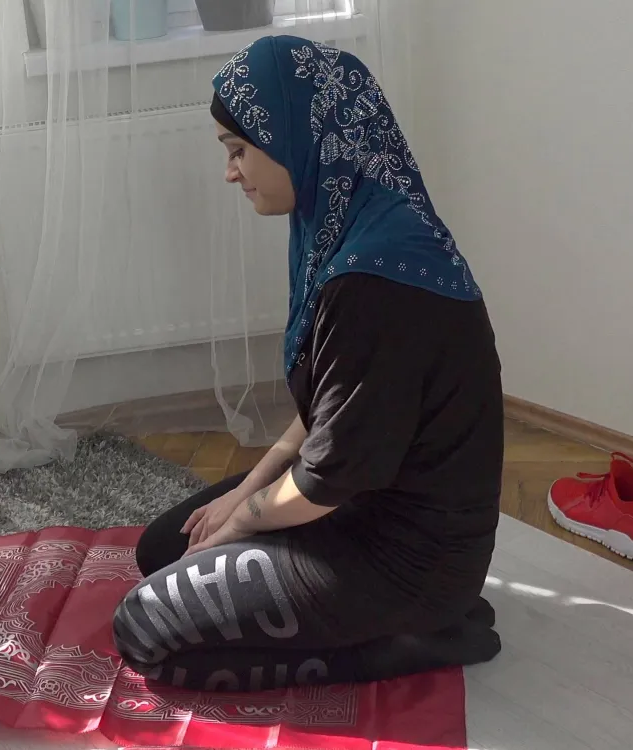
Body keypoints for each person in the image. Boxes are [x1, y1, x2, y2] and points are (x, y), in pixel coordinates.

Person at [112, 36, 504, 693]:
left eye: (239, 150)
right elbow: (329, 410)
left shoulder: (374, 280)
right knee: (162, 548)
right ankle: (381, 623)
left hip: (406, 562)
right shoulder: (358, 227)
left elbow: (326, 479)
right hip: (360, 509)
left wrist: (242, 520)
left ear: (295, 137)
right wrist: (244, 491)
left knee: (143, 630)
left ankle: (412, 641)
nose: (231, 173)